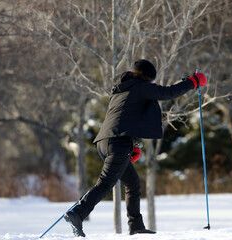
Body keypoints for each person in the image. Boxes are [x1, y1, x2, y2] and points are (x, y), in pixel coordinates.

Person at [64, 59, 207, 236]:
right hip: (118, 142)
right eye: (152, 82)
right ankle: (78, 213)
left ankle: (136, 226)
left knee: (132, 183)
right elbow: (168, 92)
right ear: (148, 78)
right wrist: (193, 81)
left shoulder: (122, 89)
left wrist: (131, 146)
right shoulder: (141, 87)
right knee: (105, 183)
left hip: (105, 142)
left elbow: (126, 116)